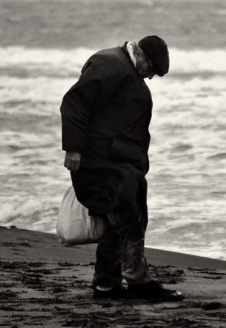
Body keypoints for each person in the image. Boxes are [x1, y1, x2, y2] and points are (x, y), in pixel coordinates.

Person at [60, 35, 182, 301]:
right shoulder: (110, 64)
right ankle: (118, 285)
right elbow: (74, 102)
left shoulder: (123, 69)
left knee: (133, 218)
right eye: (150, 69)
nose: (149, 77)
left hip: (121, 164)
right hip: (101, 163)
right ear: (138, 52)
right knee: (122, 220)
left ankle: (123, 283)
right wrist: (73, 148)